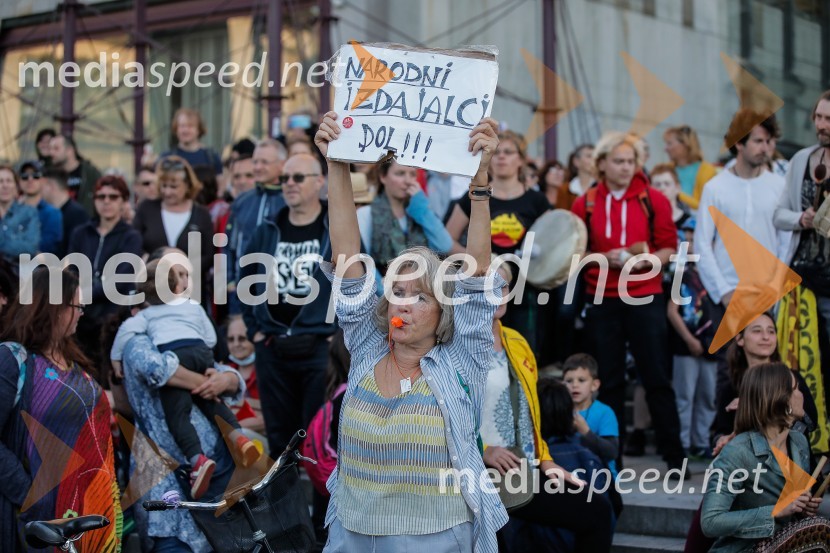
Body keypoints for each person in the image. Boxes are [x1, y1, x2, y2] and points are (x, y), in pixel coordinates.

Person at [315, 112, 518, 551]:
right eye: (397, 293)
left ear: (445, 313)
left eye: (420, 297)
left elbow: (478, 275)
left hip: (436, 536)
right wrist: (337, 164)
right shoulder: (369, 347)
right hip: (352, 532)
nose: (402, 304)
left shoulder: (463, 357)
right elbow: (348, 258)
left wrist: (479, 185)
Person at [571, 131, 685, 476]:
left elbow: (669, 248)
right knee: (610, 380)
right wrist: (602, 257)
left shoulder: (654, 199)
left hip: (645, 296)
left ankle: (675, 457)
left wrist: (644, 259)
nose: (625, 167)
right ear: (602, 164)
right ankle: (611, 458)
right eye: (618, 161)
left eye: (631, 161)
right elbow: (573, 253)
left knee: (656, 377)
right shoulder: (585, 202)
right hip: (602, 298)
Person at [483, 261, 613, 552]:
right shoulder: (456, 345)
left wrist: (545, 459)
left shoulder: (516, 341)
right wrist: (483, 450)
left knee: (597, 509)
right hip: (482, 471)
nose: (496, 294)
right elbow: (444, 412)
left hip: (526, 468)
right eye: (487, 286)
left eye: (502, 286)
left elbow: (530, 410)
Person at [111, 259, 258, 498]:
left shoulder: (147, 316)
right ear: (175, 286)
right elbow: (163, 369)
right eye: (179, 275)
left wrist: (114, 359)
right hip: (166, 469)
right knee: (211, 401)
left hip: (177, 354)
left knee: (177, 414)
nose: (185, 281)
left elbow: (124, 331)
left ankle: (198, 459)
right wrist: (209, 373)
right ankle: (239, 438)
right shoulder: (190, 308)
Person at [0, 267, 122, 552]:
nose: (81, 313)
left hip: (88, 511)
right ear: (54, 308)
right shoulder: (12, 359)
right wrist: (32, 496)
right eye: (77, 306)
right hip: (38, 522)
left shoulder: (75, 365)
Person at [116, 306, 245, 553]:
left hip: (214, 488)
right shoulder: (136, 343)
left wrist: (229, 380)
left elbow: (219, 368)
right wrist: (212, 384)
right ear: (139, 311)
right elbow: (160, 369)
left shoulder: (184, 332)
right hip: (166, 490)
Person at [239, 153, 335, 454]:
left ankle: (321, 503)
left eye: (298, 177)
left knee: (320, 438)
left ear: (319, 181)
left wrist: (336, 334)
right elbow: (245, 278)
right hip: (273, 348)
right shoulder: (268, 228)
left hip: (319, 348)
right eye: (284, 179)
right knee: (280, 441)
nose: (289, 184)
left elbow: (357, 278)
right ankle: (284, 502)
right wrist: (255, 329)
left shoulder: (334, 228)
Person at [701, 362, 830, 553]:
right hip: (745, 548)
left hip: (786, 542)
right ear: (781, 399)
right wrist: (776, 510)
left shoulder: (799, 441)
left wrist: (803, 507)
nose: (802, 394)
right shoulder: (737, 452)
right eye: (797, 389)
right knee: (820, 530)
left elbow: (791, 509)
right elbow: (710, 522)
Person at [445, 129, 551, 355]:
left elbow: (550, 243)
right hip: (483, 287)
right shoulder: (472, 196)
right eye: (497, 152)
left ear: (521, 160)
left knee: (524, 349)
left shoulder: (537, 200)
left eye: (509, 152)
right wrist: (482, 262)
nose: (501, 157)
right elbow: (447, 240)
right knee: (483, 351)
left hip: (524, 288)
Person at [695, 111, 790, 328]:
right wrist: (723, 292)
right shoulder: (715, 188)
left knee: (766, 361)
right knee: (728, 361)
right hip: (727, 295)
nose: (765, 148)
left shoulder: (779, 186)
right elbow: (702, 245)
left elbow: (786, 243)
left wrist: (775, 287)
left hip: (768, 297)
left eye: (768, 141)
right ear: (739, 143)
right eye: (758, 141)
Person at [774, 90, 830, 453]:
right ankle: (814, 446)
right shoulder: (801, 159)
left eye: (828, 119)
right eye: (818, 118)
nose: (821, 126)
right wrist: (802, 218)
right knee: (805, 366)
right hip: (801, 278)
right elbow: (779, 215)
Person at [67, 175, 143, 369]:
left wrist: (84, 293)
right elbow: (72, 270)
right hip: (80, 317)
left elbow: (122, 279)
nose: (106, 201)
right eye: (101, 197)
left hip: (112, 317)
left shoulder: (131, 237)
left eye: (113, 196)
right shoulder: (81, 233)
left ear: (124, 201)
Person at [666, 219, 718, 459]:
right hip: (685, 346)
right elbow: (672, 311)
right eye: (685, 236)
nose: (690, 242)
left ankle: (701, 441)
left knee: (708, 395)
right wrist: (688, 339)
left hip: (712, 344)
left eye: (695, 236)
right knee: (684, 396)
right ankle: (683, 442)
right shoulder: (681, 273)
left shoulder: (717, 272)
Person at [356, 158, 453, 278]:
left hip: (419, 289)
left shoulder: (419, 212)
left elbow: (445, 245)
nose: (408, 181)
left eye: (412, 174)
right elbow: (363, 261)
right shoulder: (366, 214)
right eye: (400, 173)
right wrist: (385, 291)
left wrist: (421, 209)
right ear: (383, 176)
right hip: (383, 291)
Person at [133, 156, 213, 291]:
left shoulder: (201, 214)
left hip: (191, 290)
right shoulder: (146, 208)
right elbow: (135, 244)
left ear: (188, 185)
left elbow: (208, 254)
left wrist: (181, 270)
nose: (167, 192)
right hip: (153, 288)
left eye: (174, 187)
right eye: (164, 186)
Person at [225, 139, 287, 311]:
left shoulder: (290, 200)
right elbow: (228, 245)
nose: (258, 167)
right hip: (242, 291)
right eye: (255, 162)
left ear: (282, 165)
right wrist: (230, 280)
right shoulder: (242, 201)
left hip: (279, 291)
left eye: (264, 162)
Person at [561, 353, 619, 475]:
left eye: (581, 380)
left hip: (601, 476)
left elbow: (612, 452)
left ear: (594, 385)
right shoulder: (560, 411)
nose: (574, 385)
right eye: (569, 381)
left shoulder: (605, 412)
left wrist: (586, 432)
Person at [224, 315, 264, 434]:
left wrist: (231, 429)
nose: (236, 344)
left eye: (242, 338)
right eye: (231, 339)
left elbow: (272, 418)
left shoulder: (269, 373)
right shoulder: (222, 372)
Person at [662, 125, 718, 210]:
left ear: (685, 144)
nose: (665, 149)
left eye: (669, 143)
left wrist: (676, 193)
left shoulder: (708, 171)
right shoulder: (665, 169)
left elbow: (706, 208)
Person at [40, 167, 90, 257]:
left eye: (42, 186)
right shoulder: (49, 213)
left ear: (51, 186)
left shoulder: (77, 214)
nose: (40, 190)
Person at [160, 108, 224, 177]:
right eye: (182, 126)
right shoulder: (166, 158)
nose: (185, 130)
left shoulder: (212, 157)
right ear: (176, 129)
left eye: (190, 126)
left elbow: (220, 185)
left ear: (198, 130)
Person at [48, 134, 102, 215]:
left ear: (69, 150)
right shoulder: (51, 175)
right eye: (50, 149)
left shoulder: (89, 172)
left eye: (56, 148)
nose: (51, 153)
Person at [18, 160, 63, 255]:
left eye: (36, 175)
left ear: (44, 181)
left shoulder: (52, 213)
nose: (30, 179)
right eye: (25, 176)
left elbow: (47, 247)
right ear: (19, 181)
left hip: (39, 268)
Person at [0, 165, 40, 266]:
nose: (5, 185)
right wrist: (16, 241)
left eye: (9, 181)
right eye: (0, 181)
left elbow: (30, 248)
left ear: (16, 186)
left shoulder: (29, 213)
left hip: (19, 273)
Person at [650, 163, 692, 229]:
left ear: (678, 188)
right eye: (657, 185)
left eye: (667, 184)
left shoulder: (690, 223)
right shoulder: (646, 221)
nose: (662, 188)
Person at [557, 144, 595, 210]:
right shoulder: (565, 189)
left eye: (595, 157)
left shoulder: (602, 187)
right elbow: (562, 217)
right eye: (589, 156)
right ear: (576, 161)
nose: (593, 160)